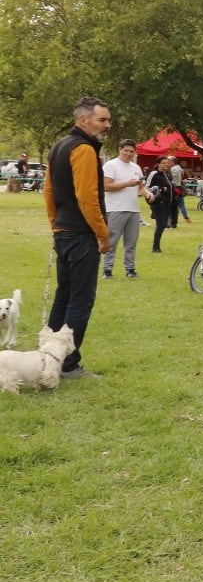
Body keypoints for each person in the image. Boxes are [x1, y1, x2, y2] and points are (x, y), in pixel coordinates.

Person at [42, 96, 112, 380]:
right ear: (83, 120)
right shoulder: (83, 149)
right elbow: (87, 197)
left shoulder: (59, 146)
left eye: (108, 120)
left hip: (64, 231)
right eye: (102, 120)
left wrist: (55, 224)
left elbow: (48, 192)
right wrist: (102, 234)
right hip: (81, 234)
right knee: (80, 300)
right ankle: (68, 363)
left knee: (64, 296)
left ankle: (47, 357)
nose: (107, 125)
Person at [101, 138, 147, 279]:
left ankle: (130, 269)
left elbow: (140, 187)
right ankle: (107, 269)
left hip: (133, 209)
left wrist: (147, 193)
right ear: (119, 149)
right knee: (112, 241)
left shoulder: (136, 168)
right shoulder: (111, 165)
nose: (128, 153)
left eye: (131, 151)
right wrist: (127, 183)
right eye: (126, 150)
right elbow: (106, 186)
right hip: (115, 208)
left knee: (131, 242)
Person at [145, 157, 176, 252]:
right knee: (161, 224)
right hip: (158, 202)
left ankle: (156, 246)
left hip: (167, 202)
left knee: (162, 225)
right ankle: (155, 247)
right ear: (158, 164)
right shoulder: (154, 173)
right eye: (164, 163)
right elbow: (147, 187)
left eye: (168, 163)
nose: (166, 164)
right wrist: (160, 188)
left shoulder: (165, 174)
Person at [169, 159, 190, 226]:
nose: (168, 163)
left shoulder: (173, 169)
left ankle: (172, 219)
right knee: (181, 205)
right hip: (179, 188)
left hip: (174, 188)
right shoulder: (180, 169)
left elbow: (171, 179)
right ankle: (187, 219)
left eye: (169, 161)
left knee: (174, 205)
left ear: (173, 162)